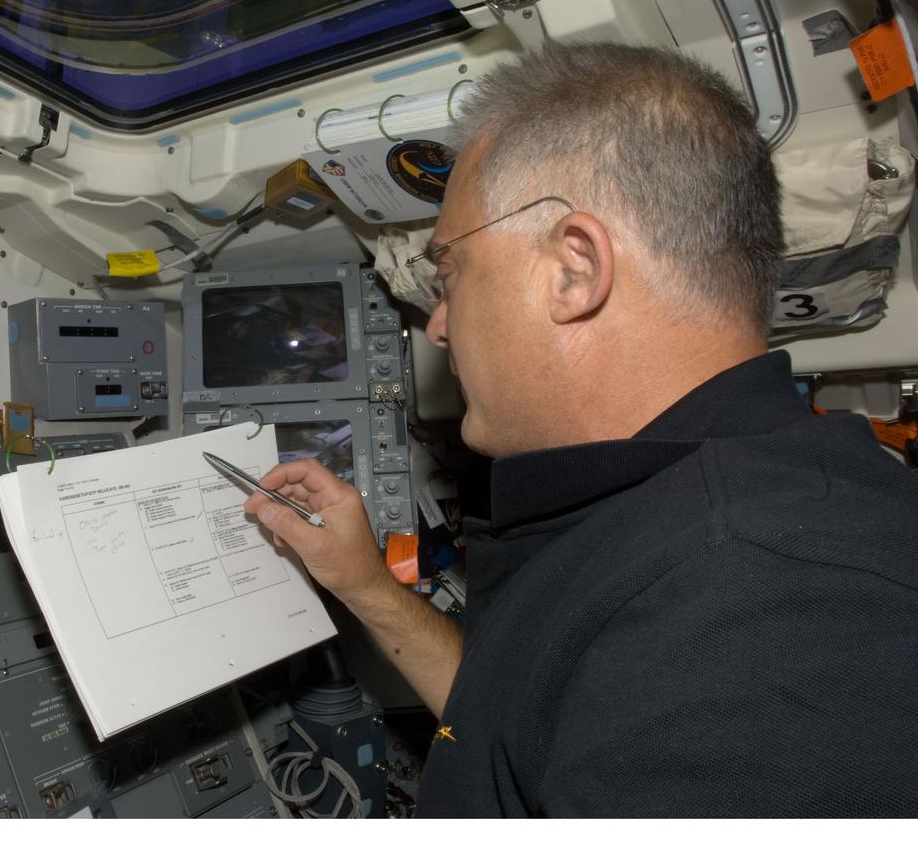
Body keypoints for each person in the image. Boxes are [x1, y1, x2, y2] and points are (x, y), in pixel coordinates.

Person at [244, 42, 918, 817]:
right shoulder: (689, 521)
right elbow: (516, 724)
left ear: (574, 269)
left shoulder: (768, 607)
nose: (438, 325)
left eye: (450, 274)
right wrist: (366, 585)